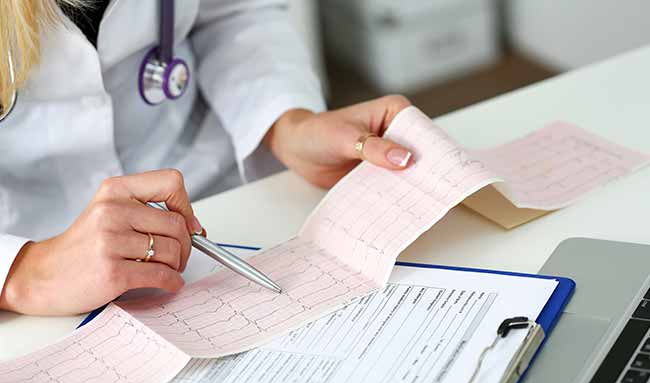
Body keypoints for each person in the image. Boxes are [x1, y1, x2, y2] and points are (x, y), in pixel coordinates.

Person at [0, 0, 413, 316]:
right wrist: (23, 273)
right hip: (34, 260)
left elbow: (233, 12)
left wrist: (286, 123)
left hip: (210, 208)